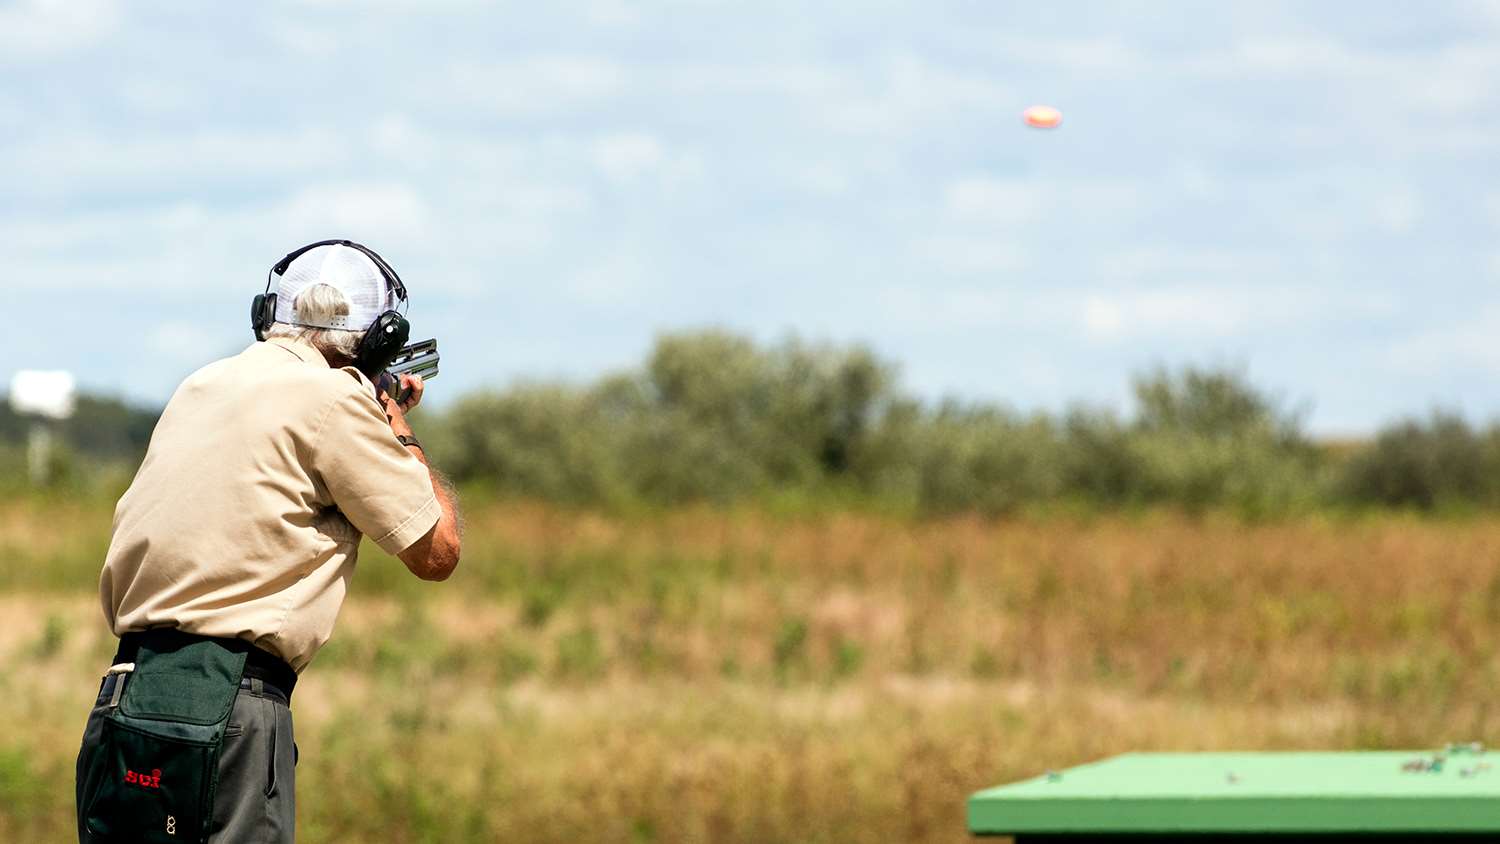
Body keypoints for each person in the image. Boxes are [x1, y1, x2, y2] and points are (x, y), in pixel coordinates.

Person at [74, 240, 462, 843]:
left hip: (126, 691)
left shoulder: (200, 385)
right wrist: (394, 420)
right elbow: (437, 551)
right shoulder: (337, 400)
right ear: (380, 339)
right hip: (231, 702)